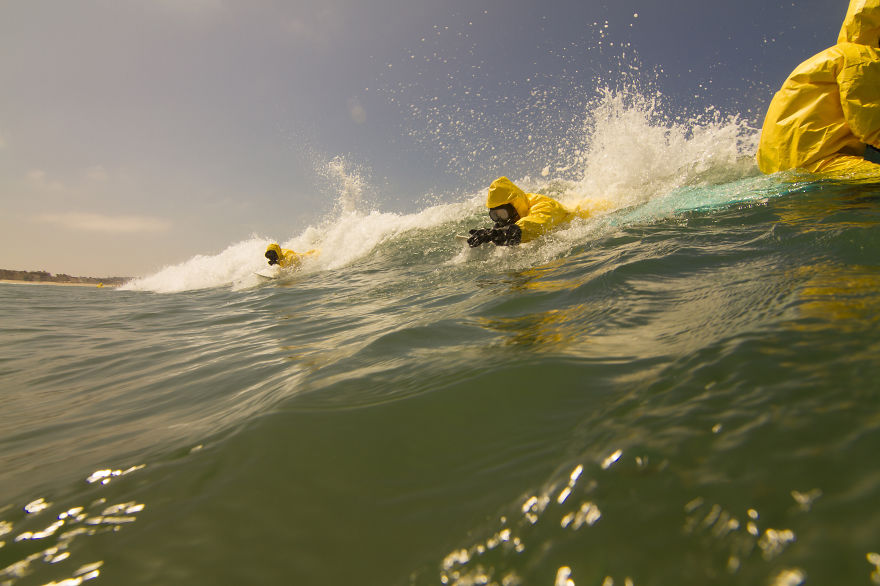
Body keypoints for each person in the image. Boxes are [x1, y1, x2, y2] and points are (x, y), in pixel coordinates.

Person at [756, 0, 880, 179]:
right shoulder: (862, 58)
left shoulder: (837, 56)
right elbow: (870, 125)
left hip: (777, 164)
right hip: (820, 161)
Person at [467, 176, 611, 247]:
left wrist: (502, 234)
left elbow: (534, 224)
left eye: (503, 214)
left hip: (589, 215)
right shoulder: (514, 214)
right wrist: (490, 234)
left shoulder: (542, 205)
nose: (501, 219)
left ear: (515, 206)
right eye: (495, 215)